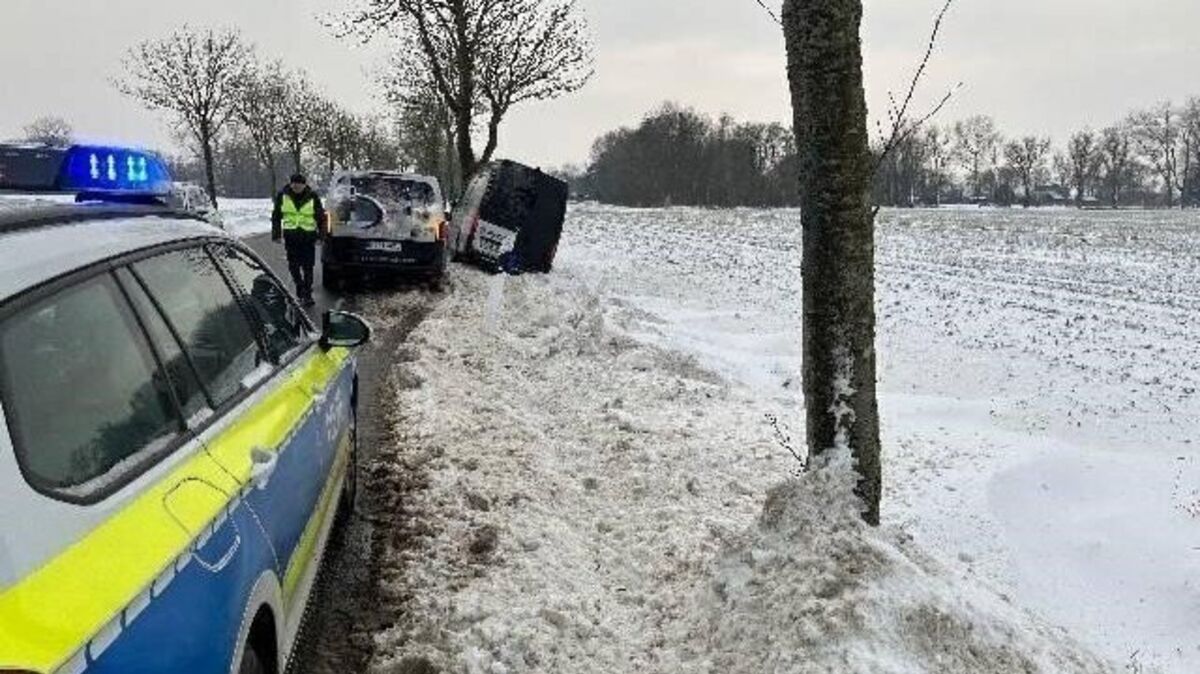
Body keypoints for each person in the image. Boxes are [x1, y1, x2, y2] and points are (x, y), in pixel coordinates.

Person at [272, 174, 326, 307]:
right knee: (293, 266)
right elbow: (276, 216)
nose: (296, 186)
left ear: (304, 185)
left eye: (299, 184)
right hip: (291, 238)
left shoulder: (313, 197)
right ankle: (300, 287)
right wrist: (277, 234)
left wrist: (321, 237)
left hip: (308, 238)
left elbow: (321, 218)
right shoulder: (282, 196)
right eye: (294, 183)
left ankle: (307, 294)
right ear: (290, 184)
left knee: (308, 267)